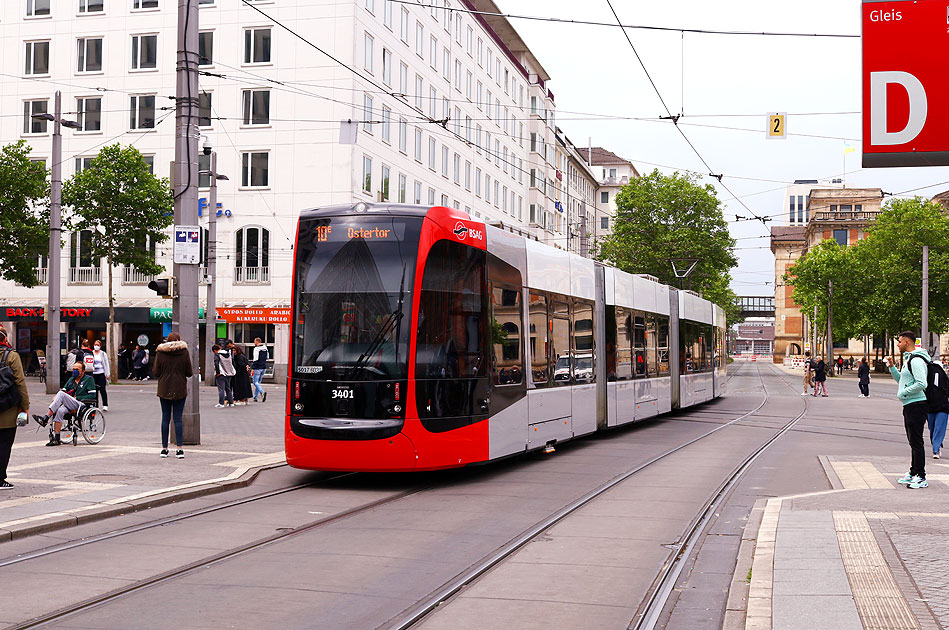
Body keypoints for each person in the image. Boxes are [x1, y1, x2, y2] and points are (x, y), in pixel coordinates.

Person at [886, 331, 931, 489]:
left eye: (899, 341)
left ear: (907, 342)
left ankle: (921, 476)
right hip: (910, 404)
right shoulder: (908, 359)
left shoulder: (916, 360)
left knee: (917, 441)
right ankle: (914, 472)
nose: (897, 344)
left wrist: (903, 393)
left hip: (917, 404)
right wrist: (892, 367)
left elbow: (921, 383)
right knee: (913, 441)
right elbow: (902, 381)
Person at [33, 361, 96, 447]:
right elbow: (63, 391)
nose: (74, 371)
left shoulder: (89, 379)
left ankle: (46, 417)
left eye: (77, 369)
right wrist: (56, 397)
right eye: (73, 369)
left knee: (61, 394)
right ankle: (57, 439)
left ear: (83, 371)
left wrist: (78, 398)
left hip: (81, 404)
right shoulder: (71, 380)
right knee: (60, 410)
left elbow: (92, 395)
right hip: (69, 404)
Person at [152, 332, 193, 459]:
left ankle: (164, 449)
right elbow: (189, 372)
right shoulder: (184, 352)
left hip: (164, 388)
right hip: (180, 387)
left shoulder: (160, 352)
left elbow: (156, 372)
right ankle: (179, 449)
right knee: (178, 418)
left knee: (165, 418)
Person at [0, 326, 30, 489]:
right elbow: (20, 382)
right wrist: (25, 406)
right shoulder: (12, 356)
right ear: (5, 338)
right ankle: (0, 479)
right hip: (7, 408)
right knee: (4, 444)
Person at [90, 339, 110, 411]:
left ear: (100, 346)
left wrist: (107, 373)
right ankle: (96, 405)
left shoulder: (103, 354)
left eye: (98, 345)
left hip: (101, 373)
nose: (96, 346)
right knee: (94, 390)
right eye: (95, 345)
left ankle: (105, 405)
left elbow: (106, 363)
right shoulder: (91, 353)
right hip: (93, 374)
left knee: (102, 390)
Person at [213, 344, 235, 408]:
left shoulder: (217, 355)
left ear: (215, 351)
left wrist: (217, 373)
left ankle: (221, 403)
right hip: (229, 373)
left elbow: (216, 364)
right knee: (228, 388)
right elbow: (233, 362)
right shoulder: (228, 354)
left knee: (221, 389)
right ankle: (231, 403)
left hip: (221, 374)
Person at [251, 337, 268, 402]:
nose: (254, 343)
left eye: (254, 341)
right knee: (258, 383)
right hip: (263, 367)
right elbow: (267, 357)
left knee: (255, 382)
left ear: (256, 341)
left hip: (257, 367)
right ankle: (255, 397)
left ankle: (262, 392)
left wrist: (253, 368)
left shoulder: (256, 349)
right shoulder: (265, 348)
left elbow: (255, 359)